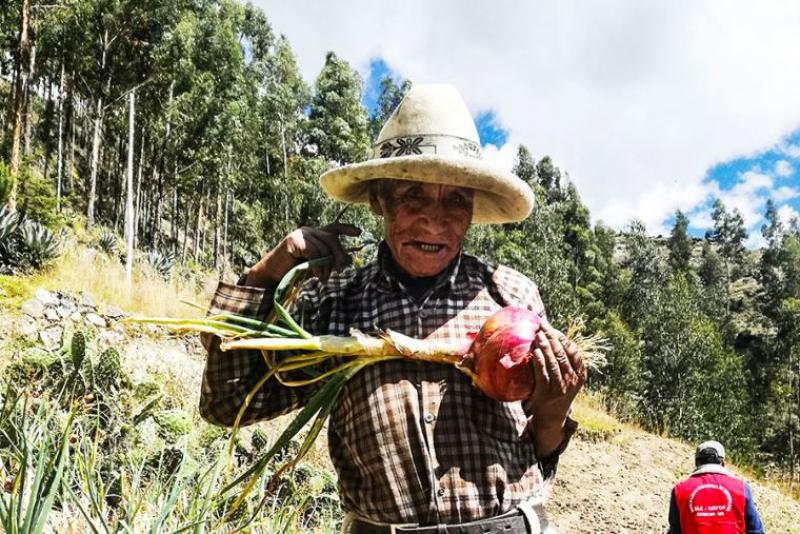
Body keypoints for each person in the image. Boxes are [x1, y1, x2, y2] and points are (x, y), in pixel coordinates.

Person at [199, 84, 585, 534]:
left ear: (472, 209)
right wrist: (271, 270)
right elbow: (227, 404)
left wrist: (556, 406)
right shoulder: (334, 303)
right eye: (413, 196)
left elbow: (541, 452)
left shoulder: (512, 296)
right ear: (379, 199)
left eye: (455, 200)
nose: (435, 220)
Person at [668, 441, 765, 534]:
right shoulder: (741, 488)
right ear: (723, 463)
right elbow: (755, 530)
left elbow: (675, 530)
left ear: (696, 463)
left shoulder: (680, 490)